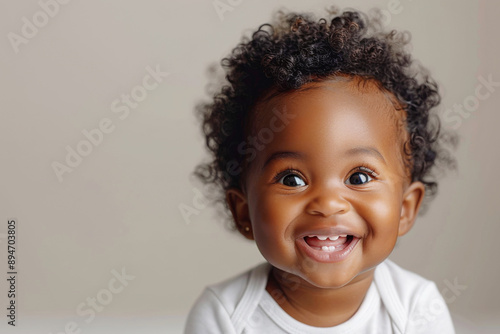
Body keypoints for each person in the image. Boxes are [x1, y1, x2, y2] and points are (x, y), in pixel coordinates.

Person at [185, 5, 456, 333]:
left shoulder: (416, 309)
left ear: (405, 208)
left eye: (358, 177)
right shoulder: (223, 316)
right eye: (292, 178)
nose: (328, 203)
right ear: (243, 212)